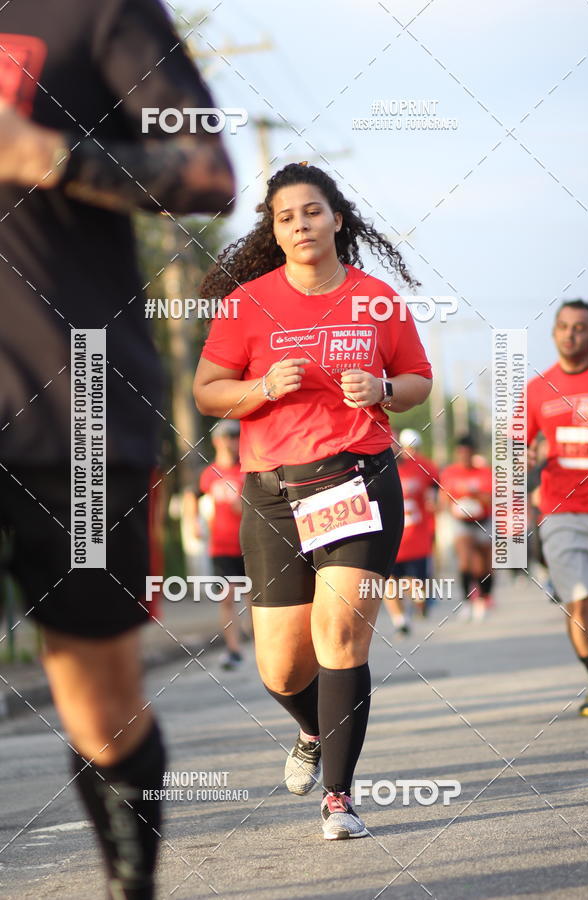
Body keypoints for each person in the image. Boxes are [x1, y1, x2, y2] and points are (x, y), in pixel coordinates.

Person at [0, 1, 235, 897]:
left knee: (97, 708)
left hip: (74, 405)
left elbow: (209, 171)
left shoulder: (95, 9)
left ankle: (128, 887)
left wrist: (48, 157)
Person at [194, 162, 433, 840]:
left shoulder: (376, 299)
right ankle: (310, 731)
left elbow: (419, 379)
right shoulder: (248, 303)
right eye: (286, 216)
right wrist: (263, 387)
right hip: (272, 493)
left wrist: (384, 389)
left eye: (312, 211)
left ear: (337, 218)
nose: (301, 224)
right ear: (274, 230)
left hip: (354, 479)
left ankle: (339, 798)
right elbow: (207, 390)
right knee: (281, 666)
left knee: (340, 636)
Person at [527, 299, 588, 715]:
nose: (571, 334)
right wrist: (524, 461)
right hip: (563, 512)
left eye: (580, 327)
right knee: (579, 604)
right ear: (554, 333)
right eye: (564, 327)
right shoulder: (538, 388)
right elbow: (516, 445)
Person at [198, 420, 249, 670]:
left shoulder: (247, 470)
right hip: (221, 546)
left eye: (236, 436)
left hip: (249, 543)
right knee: (227, 598)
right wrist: (192, 523)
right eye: (227, 436)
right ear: (216, 441)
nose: (232, 441)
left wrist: (245, 507)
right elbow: (194, 496)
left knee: (255, 597)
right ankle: (233, 649)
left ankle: (262, 643)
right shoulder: (209, 474)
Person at [384, 429, 439, 634]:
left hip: (416, 536)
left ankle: (419, 603)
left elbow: (436, 485)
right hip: (390, 537)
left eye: (394, 442)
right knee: (390, 581)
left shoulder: (418, 467)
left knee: (415, 584)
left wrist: (434, 499)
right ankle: (400, 621)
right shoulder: (377, 470)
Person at [439, 436, 493, 621]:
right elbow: (444, 498)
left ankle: (484, 597)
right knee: (465, 561)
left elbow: (490, 498)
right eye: (460, 454)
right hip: (460, 521)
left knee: (484, 566)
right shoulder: (450, 473)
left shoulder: (484, 472)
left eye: (467, 454)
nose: (464, 457)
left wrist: (473, 496)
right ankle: (467, 601)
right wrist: (453, 506)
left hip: (483, 520)